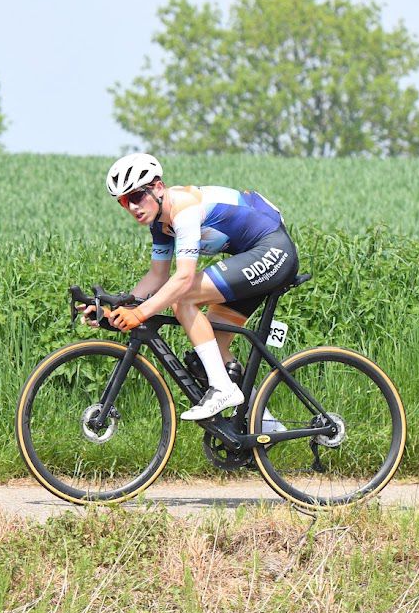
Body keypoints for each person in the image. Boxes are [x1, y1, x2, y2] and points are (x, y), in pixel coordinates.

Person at [94, 152, 299, 424]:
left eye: (136, 196)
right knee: (209, 355)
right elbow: (157, 276)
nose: (132, 207)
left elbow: (183, 278)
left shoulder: (184, 209)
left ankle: (223, 390)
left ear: (157, 187)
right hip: (250, 260)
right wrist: (115, 311)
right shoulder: (160, 224)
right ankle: (267, 429)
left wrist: (140, 313)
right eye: (123, 201)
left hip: (273, 250)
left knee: (183, 299)